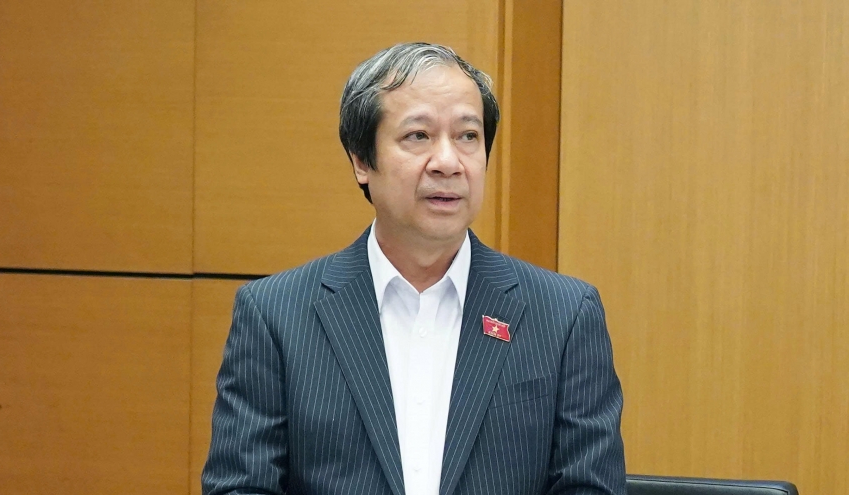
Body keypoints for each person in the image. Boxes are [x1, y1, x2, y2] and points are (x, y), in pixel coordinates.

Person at [202, 42, 626, 495]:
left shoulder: (564, 315)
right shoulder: (276, 315)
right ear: (361, 160)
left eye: (468, 136)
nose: (448, 163)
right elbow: (241, 486)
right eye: (418, 136)